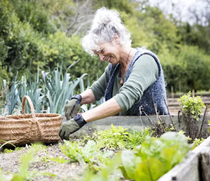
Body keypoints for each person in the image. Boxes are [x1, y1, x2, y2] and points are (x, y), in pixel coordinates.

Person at [59, 7, 168, 140]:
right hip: (128, 133)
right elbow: (97, 90)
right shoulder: (115, 66)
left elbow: (126, 97)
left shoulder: (145, 60)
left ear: (116, 39)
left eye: (102, 50)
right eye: (97, 54)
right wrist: (78, 99)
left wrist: (82, 119)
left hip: (153, 134)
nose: (101, 58)